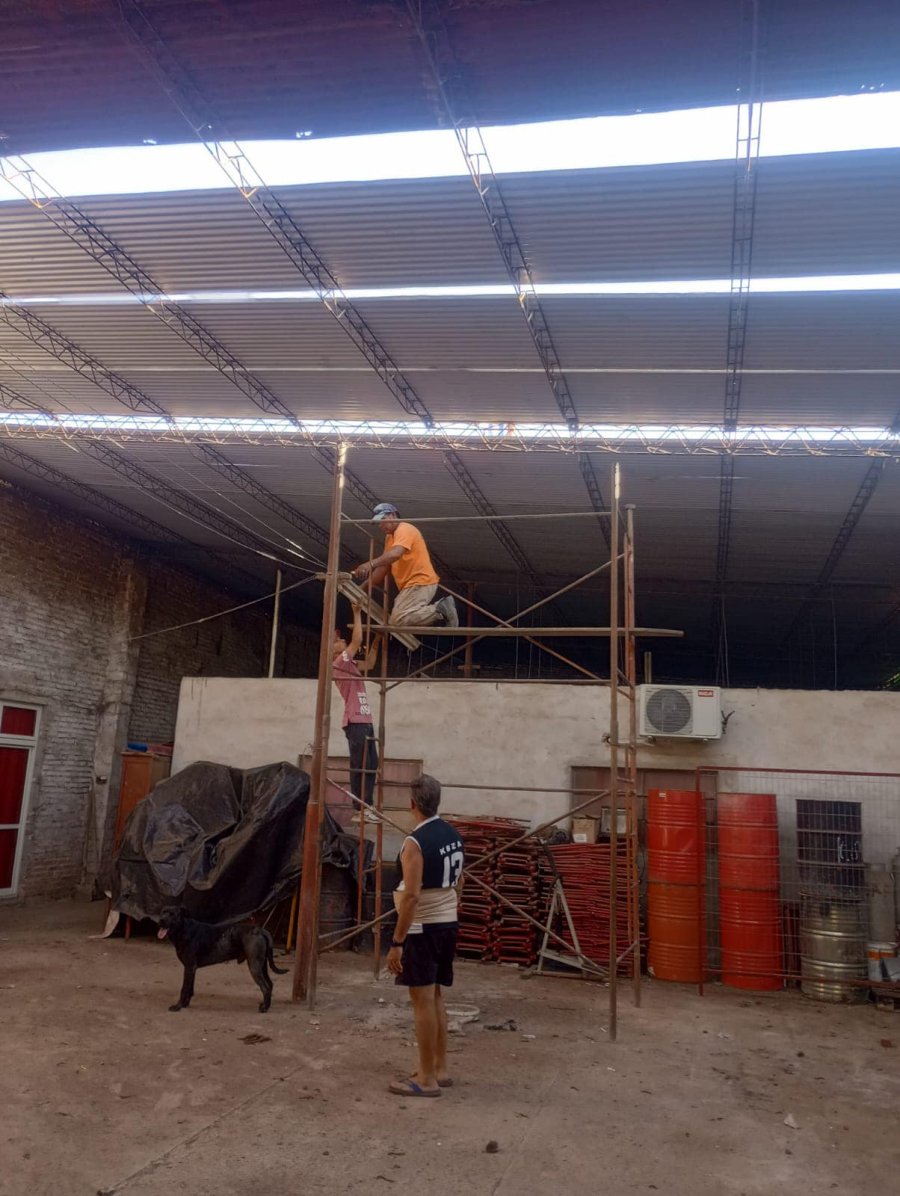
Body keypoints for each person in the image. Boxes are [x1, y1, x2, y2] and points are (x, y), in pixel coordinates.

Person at [386, 774, 465, 1098]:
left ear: (412, 803)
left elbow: (413, 896)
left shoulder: (415, 843)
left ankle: (426, 1079)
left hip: (423, 928)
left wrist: (397, 943)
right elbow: (460, 882)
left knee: (421, 1001)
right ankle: (439, 1068)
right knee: (435, 997)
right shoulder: (452, 834)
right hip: (447, 921)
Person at [353, 502, 458, 629]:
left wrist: (370, 564)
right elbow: (383, 568)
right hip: (413, 584)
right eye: (379, 523)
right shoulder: (390, 537)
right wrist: (363, 588)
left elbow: (395, 554)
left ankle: (439, 610)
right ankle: (440, 610)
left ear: (392, 515)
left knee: (397, 621)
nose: (381, 525)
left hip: (420, 581)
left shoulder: (404, 528)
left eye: (383, 520)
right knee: (398, 620)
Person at [332, 603, 379, 824]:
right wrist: (357, 613)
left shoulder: (349, 664)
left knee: (371, 765)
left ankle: (366, 806)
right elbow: (357, 641)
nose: (341, 641)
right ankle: (359, 808)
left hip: (365, 721)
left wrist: (378, 641)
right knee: (360, 765)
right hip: (356, 721)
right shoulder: (339, 663)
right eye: (338, 640)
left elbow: (369, 662)